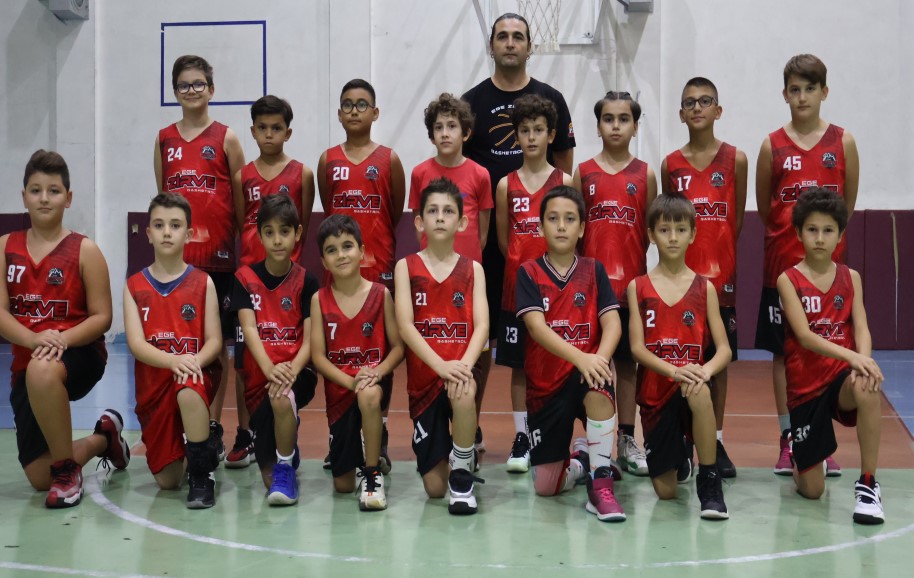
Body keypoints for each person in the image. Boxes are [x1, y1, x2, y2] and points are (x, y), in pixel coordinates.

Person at [463, 13, 575, 453]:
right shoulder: (472, 102)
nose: (510, 43)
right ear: (491, 45)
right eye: (503, 37)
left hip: (546, 250)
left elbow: (564, 167)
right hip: (493, 244)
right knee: (484, 340)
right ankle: (469, 430)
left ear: (530, 46)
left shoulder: (552, 98)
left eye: (518, 37)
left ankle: (549, 431)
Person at [0, 150, 127, 509]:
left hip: (80, 353)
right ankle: (105, 438)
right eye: (36, 190)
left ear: (68, 198)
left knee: (42, 368)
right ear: (24, 196)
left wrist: (61, 340)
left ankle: (68, 473)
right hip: (28, 361)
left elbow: (102, 317)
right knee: (40, 477)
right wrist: (33, 338)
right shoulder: (5, 247)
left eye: (53, 191)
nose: (44, 198)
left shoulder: (85, 250)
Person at [755, 54, 859, 477]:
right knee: (785, 353)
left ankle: (818, 440)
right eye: (795, 90)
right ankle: (788, 438)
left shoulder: (843, 142)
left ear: (824, 92)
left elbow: (846, 207)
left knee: (823, 352)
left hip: (827, 276)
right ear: (784, 94)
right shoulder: (772, 145)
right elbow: (766, 210)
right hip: (782, 269)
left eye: (810, 89)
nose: (802, 97)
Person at [153, 55, 246, 461]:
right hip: (176, 265)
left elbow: (240, 202)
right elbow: (164, 199)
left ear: (211, 89)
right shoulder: (163, 139)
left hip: (218, 260)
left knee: (217, 345)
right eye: (183, 85)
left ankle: (210, 426)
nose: (191, 90)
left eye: (198, 84)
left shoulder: (227, 138)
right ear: (175, 92)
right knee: (179, 343)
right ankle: (182, 426)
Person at [516, 185, 626, 522]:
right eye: (553, 219)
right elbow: (537, 328)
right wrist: (581, 357)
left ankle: (600, 484)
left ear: (581, 228)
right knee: (546, 487)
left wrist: (599, 360)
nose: (561, 226)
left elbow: (613, 324)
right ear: (540, 227)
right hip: (547, 388)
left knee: (600, 387)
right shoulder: (529, 272)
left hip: (585, 374)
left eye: (569, 219)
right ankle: (582, 462)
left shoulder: (594, 270)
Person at [777, 188, 884, 524]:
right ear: (798, 233)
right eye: (812, 230)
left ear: (840, 234)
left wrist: (863, 361)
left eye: (828, 230)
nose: (820, 238)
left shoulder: (851, 278)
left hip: (840, 381)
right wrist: (853, 357)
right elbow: (805, 336)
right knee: (812, 491)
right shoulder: (788, 280)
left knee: (867, 384)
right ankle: (802, 456)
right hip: (805, 391)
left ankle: (868, 484)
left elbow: (861, 326)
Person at [660, 77, 748, 478]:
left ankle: (715, 438)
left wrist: (719, 259)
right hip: (680, 282)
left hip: (721, 281)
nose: (697, 107)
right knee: (679, 357)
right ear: (681, 114)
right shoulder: (670, 164)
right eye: (690, 102)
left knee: (718, 364)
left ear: (718, 110)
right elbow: (669, 220)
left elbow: (735, 220)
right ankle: (683, 439)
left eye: (705, 101)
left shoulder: (736, 160)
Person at [317, 78, 405, 470]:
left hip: (378, 271)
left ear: (375, 112)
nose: (354, 110)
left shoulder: (389, 159)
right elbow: (328, 211)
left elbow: (394, 210)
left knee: (379, 353)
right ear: (339, 113)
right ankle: (340, 436)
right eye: (348, 105)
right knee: (338, 352)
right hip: (339, 277)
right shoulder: (328, 161)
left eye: (362, 104)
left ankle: (378, 434)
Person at [627, 193, 731, 520]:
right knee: (667, 492)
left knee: (699, 390)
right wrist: (673, 371)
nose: (673, 237)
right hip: (655, 394)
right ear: (651, 235)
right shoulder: (638, 286)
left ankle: (710, 482)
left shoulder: (705, 288)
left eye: (681, 229)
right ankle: (683, 450)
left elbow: (724, 349)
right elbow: (637, 348)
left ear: (693, 234)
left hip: (690, 386)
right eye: (664, 230)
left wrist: (705, 370)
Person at [227, 95, 316, 469]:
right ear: (252, 131)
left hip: (286, 285)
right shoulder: (242, 177)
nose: (269, 134)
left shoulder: (302, 174)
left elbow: (303, 223)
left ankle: (285, 428)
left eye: (276, 128)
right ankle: (245, 433)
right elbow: (241, 222)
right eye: (262, 128)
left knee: (287, 353)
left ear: (288, 132)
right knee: (244, 360)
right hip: (251, 283)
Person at [394, 178, 489, 515]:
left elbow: (482, 326)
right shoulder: (406, 267)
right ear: (419, 221)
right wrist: (440, 366)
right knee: (434, 489)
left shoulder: (473, 269)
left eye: (448, 211)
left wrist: (462, 367)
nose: (439, 217)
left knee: (464, 390)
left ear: (461, 222)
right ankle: (451, 453)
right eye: (432, 211)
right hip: (425, 378)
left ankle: (461, 474)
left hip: (459, 369)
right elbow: (405, 326)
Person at [574, 90, 656, 477]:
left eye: (624, 119)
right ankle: (591, 439)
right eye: (608, 119)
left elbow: (649, 233)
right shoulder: (584, 172)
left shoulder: (645, 174)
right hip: (590, 291)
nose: (616, 126)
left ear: (635, 127)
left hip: (630, 290)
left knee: (626, 365)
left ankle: (625, 437)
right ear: (598, 126)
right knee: (592, 365)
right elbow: (575, 230)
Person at [125, 193, 222, 508]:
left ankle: (202, 475)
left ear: (189, 234)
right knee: (168, 482)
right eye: (159, 225)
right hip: (153, 386)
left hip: (192, 375)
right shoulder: (134, 286)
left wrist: (194, 362)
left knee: (189, 386)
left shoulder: (203, 282)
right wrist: (173, 361)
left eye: (175, 225)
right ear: (148, 233)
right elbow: (136, 344)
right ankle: (201, 445)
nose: (167, 232)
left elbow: (215, 341)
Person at [408, 93, 493, 447]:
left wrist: (463, 261)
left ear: (466, 133)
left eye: (452, 126)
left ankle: (469, 424)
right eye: (439, 127)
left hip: (466, 279)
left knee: (475, 352)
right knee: (434, 343)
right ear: (431, 134)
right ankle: (431, 422)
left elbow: (483, 231)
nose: (445, 133)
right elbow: (418, 224)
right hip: (431, 280)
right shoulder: (420, 173)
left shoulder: (480, 174)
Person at [495, 94, 573, 472]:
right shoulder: (505, 185)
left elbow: (573, 239)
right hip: (517, 291)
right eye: (524, 130)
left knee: (555, 362)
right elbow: (503, 241)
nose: (531, 137)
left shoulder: (565, 182)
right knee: (520, 366)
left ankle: (553, 433)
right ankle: (523, 436)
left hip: (555, 294)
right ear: (516, 136)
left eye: (538, 130)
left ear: (551, 135)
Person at [310, 215, 404, 511]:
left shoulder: (380, 294)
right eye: (332, 250)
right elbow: (318, 357)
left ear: (362, 251)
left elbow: (398, 348)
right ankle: (362, 441)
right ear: (323, 262)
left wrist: (377, 372)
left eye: (347, 246)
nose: (341, 255)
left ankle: (373, 472)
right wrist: (350, 381)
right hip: (340, 390)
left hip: (371, 385)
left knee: (368, 395)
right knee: (342, 485)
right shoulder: (319, 299)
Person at [233, 194, 319, 506]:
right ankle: (286, 446)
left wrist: (291, 370)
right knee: (265, 475)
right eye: (269, 232)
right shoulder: (244, 279)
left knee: (283, 397)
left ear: (297, 233)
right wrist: (270, 369)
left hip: (298, 372)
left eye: (284, 231)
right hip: (262, 374)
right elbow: (249, 329)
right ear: (259, 235)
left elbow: (311, 339)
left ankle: (286, 466)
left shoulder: (307, 281)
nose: (277, 240)